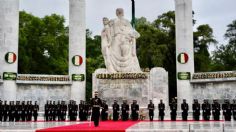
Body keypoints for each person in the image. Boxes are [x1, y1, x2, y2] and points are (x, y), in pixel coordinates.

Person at [101, 8, 141, 73]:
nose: (119, 12)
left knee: (125, 56)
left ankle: (129, 70)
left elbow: (135, 34)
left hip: (124, 40)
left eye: (119, 11)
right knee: (114, 54)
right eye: (118, 11)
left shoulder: (125, 21)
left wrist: (130, 37)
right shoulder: (114, 21)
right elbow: (107, 28)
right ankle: (113, 70)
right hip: (116, 40)